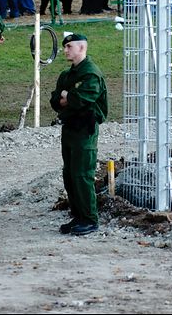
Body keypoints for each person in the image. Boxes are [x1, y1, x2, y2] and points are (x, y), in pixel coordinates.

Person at [50, 33, 108, 236]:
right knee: (70, 174)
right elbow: (55, 100)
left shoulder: (91, 74)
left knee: (82, 174)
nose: (65, 50)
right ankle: (78, 215)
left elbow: (80, 99)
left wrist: (68, 96)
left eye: (69, 47)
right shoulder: (67, 75)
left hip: (85, 129)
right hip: (70, 128)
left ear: (82, 48)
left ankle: (90, 219)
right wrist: (66, 96)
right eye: (65, 47)